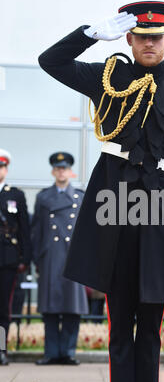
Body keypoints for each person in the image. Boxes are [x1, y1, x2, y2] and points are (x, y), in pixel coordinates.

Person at [38, 1, 164, 382]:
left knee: (152, 318)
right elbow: (50, 61)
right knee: (121, 316)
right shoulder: (107, 76)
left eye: (157, 37)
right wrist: (90, 35)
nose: (149, 43)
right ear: (129, 39)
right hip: (115, 198)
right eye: (142, 37)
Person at [31, 152, 88, 365]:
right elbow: (36, 231)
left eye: (64, 168)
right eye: (58, 168)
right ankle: (51, 353)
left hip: (73, 257)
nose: (61, 171)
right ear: (53, 171)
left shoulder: (80, 198)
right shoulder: (43, 197)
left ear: (70, 171)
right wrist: (37, 259)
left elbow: (87, 233)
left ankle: (68, 352)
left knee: (72, 308)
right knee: (50, 308)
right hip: (51, 257)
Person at [0, 149, 31, 365]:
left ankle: (0, 349)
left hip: (6, 259)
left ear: (6, 169)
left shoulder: (15, 195)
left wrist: (25, 259)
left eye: (1, 166)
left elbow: (24, 231)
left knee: (2, 308)